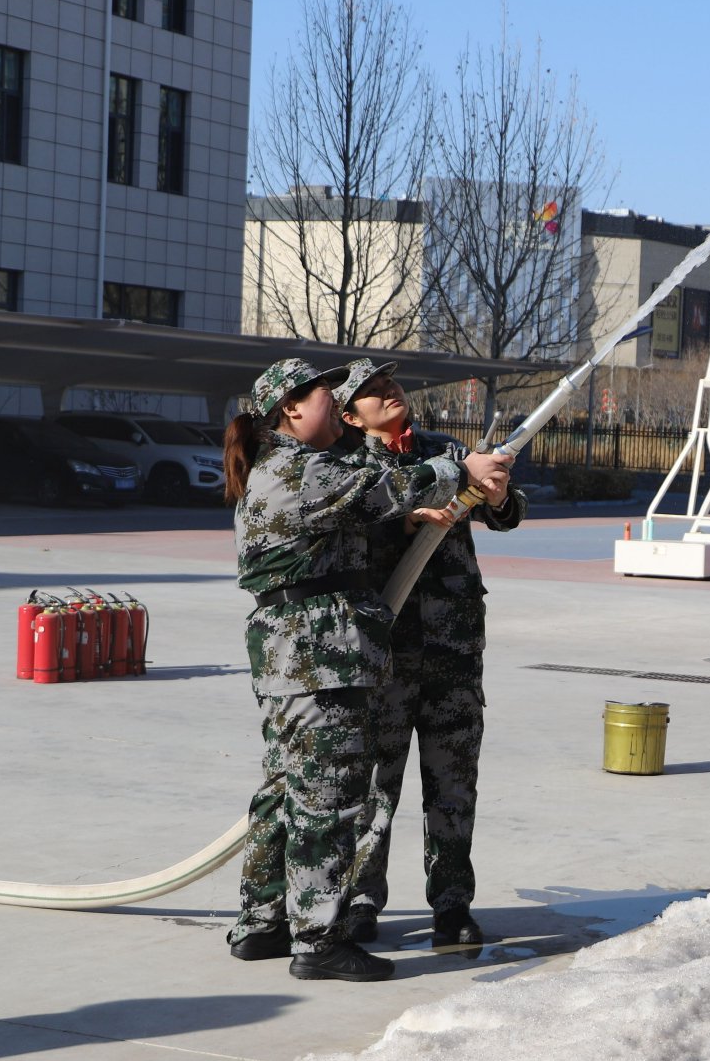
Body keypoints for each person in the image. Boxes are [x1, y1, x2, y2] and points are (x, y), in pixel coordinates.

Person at [222, 357, 512, 982]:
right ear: (293, 409)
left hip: (315, 652)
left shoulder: (309, 464)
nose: (340, 399)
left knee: (288, 793)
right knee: (330, 800)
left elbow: (380, 497)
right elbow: (380, 492)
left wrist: (440, 493)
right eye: (329, 394)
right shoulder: (301, 468)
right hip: (318, 654)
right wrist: (455, 473)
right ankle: (320, 937)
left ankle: (263, 921)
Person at [333, 359, 525, 949]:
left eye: (389, 384)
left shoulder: (447, 450)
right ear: (349, 415)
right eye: (371, 392)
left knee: (453, 782)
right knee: (375, 787)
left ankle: (451, 904)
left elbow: (507, 516)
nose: (388, 393)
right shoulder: (350, 468)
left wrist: (496, 495)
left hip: (453, 645)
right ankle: (362, 903)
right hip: (385, 649)